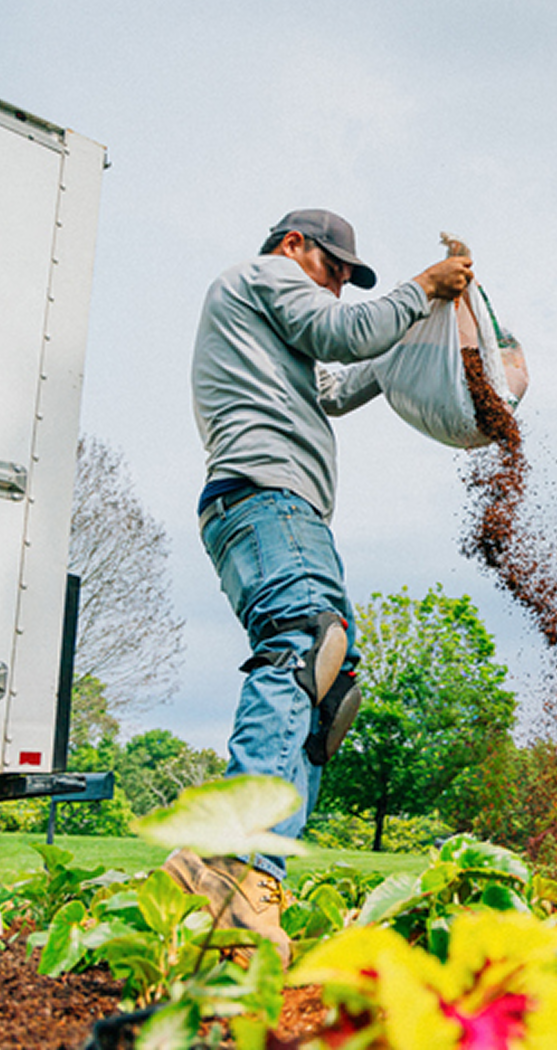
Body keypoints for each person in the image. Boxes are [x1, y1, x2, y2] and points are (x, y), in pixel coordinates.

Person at [167, 209, 472, 962]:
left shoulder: (279, 334)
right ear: (292, 245)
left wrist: (430, 336)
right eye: (332, 270)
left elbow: (337, 381)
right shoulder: (261, 273)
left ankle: (236, 880)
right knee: (303, 644)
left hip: (280, 507)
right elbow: (342, 334)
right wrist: (422, 285)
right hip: (264, 496)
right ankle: (235, 859)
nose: (338, 289)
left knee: (329, 688)